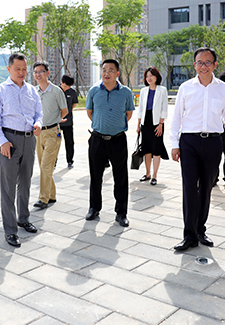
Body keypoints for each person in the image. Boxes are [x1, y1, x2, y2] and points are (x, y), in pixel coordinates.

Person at [169, 47, 225, 251]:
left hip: (213, 142)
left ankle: (200, 230)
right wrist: (174, 144)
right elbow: (176, 117)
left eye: (208, 62)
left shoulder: (223, 89)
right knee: (189, 188)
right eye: (199, 62)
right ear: (194, 65)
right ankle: (189, 235)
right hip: (188, 142)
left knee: (206, 188)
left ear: (215, 65)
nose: (203, 66)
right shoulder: (186, 88)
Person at [0, 53, 43, 248]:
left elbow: (39, 113)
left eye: (24, 69)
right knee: (8, 186)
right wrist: (2, 142)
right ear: (9, 69)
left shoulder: (31, 90)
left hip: (29, 140)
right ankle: (10, 230)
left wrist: (38, 123)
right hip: (9, 141)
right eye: (17, 69)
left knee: (26, 182)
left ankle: (23, 219)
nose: (21, 72)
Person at [85, 59, 135, 227]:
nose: (106, 73)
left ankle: (121, 212)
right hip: (97, 139)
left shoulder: (125, 92)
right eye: (104, 70)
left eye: (111, 70)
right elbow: (90, 112)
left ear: (117, 73)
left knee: (121, 177)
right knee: (95, 175)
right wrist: (102, 125)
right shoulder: (94, 91)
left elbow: (128, 114)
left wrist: (114, 126)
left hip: (118, 140)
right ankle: (94, 208)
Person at [32, 61, 68, 209]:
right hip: (38, 133)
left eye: (41, 71)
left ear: (47, 73)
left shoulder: (56, 91)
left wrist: (55, 120)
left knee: (46, 166)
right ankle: (51, 195)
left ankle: (43, 198)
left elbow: (64, 111)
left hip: (53, 133)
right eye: (35, 72)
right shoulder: (33, 91)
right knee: (43, 166)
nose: (38, 74)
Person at [136, 67, 169, 186]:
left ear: (156, 77)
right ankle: (147, 173)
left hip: (157, 123)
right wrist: (138, 125)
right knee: (147, 150)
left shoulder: (162, 90)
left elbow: (164, 108)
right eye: (147, 76)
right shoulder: (143, 91)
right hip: (145, 123)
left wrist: (161, 124)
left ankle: (154, 175)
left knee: (156, 149)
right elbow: (140, 109)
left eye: (151, 76)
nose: (149, 78)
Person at [60, 75, 79, 169]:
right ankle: (53, 162)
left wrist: (67, 112)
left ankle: (70, 161)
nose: (66, 88)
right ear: (61, 82)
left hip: (68, 121)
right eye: (65, 86)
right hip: (55, 122)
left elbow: (74, 104)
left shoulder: (72, 92)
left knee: (69, 142)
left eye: (68, 86)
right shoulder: (55, 91)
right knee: (54, 143)